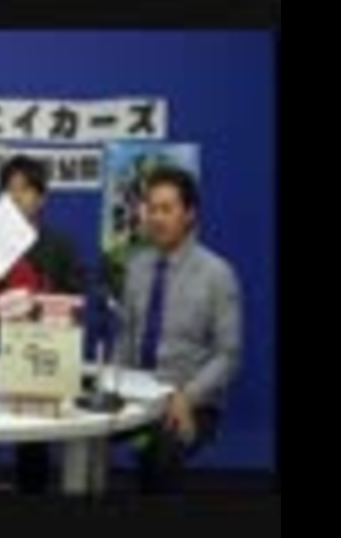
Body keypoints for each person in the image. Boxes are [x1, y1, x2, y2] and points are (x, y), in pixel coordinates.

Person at [112, 166, 242, 493]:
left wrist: (189, 397)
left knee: (161, 452)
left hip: (191, 398)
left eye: (166, 209)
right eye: (151, 208)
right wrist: (112, 384)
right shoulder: (136, 267)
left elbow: (228, 355)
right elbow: (126, 335)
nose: (156, 218)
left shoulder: (217, 274)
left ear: (189, 214)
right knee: (88, 432)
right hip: (137, 394)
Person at [0, 155, 87, 494]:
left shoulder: (61, 247)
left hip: (40, 360)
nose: (16, 197)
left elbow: (74, 312)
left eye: (24, 189)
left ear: (42, 198)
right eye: (8, 190)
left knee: (33, 446)